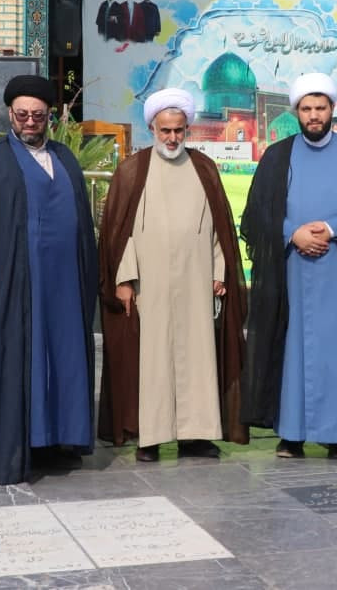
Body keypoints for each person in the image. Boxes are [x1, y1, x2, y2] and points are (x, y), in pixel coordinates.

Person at [0, 75, 98, 485]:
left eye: (38, 115)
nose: (30, 122)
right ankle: (20, 442)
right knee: (23, 362)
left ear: (51, 117)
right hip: (13, 287)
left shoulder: (65, 159)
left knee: (62, 360)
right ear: (9, 114)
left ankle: (58, 439)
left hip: (64, 286)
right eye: (22, 115)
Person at [241, 72, 337, 460]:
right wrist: (292, 233)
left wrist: (330, 228)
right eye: (307, 109)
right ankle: (291, 434)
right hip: (290, 272)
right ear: (296, 111)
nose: (314, 116)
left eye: (320, 108)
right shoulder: (277, 157)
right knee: (291, 348)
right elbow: (257, 213)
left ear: (332, 109)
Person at [97, 88, 248, 462]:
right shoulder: (132, 171)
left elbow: (219, 228)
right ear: (152, 128)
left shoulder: (203, 168)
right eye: (165, 130)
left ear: (187, 129)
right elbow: (119, 233)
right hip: (150, 285)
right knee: (153, 360)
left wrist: (219, 271)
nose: (172, 138)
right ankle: (151, 437)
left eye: (179, 130)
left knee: (198, 357)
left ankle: (196, 435)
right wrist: (124, 279)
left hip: (197, 281)